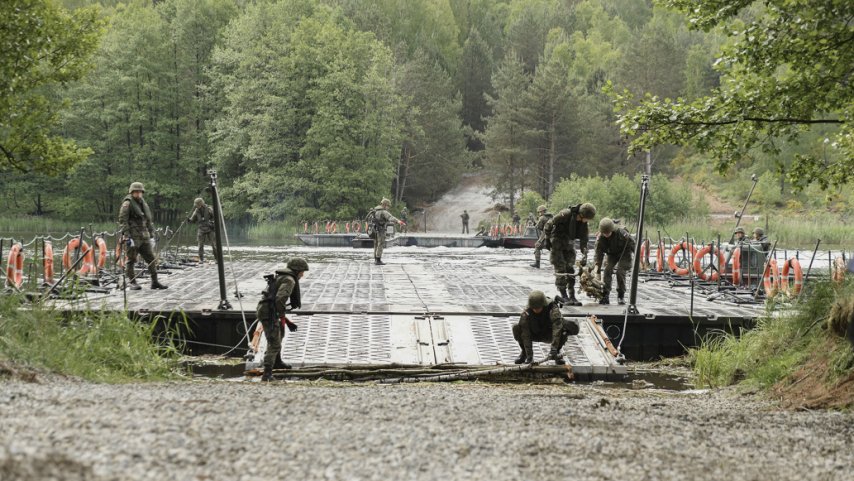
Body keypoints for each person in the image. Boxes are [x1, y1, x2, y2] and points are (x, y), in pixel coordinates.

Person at [256, 257, 309, 382]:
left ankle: (277, 362)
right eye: (302, 272)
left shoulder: (283, 277)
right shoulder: (289, 280)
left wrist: (285, 320)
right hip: (269, 312)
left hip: (269, 309)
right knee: (274, 343)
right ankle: (267, 374)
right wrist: (281, 317)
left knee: (280, 334)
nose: (302, 275)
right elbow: (280, 299)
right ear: (297, 270)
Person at [543, 202, 596, 305]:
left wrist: (584, 254)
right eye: (587, 218)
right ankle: (564, 295)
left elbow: (584, 239)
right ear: (582, 215)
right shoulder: (566, 214)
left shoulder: (583, 224)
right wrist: (547, 239)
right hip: (557, 243)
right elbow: (549, 224)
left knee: (571, 269)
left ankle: (572, 296)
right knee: (561, 269)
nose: (587, 221)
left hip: (568, 245)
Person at [118, 182, 167, 290]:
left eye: (140, 191)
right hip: (133, 236)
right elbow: (123, 221)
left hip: (144, 236)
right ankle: (132, 282)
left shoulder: (143, 204)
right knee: (131, 260)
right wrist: (127, 236)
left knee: (152, 259)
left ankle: (155, 282)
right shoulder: (127, 204)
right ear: (132, 192)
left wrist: (152, 234)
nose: (138, 193)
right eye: (136, 192)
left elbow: (148, 221)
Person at [511, 290, 579, 365]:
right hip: (534, 333)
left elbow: (557, 329)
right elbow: (525, 334)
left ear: (543, 304)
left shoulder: (552, 309)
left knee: (563, 328)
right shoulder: (526, 312)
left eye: (538, 308)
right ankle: (524, 354)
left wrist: (554, 349)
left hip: (549, 334)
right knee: (516, 328)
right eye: (534, 308)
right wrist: (529, 357)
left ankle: (557, 354)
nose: (535, 310)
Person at [594, 217, 635, 305]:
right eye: (604, 233)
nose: (606, 234)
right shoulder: (600, 238)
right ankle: (605, 295)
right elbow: (598, 254)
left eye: (608, 232)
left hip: (624, 253)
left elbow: (633, 244)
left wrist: (638, 258)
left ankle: (621, 295)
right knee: (607, 270)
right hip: (612, 254)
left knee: (620, 272)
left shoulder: (621, 233)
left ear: (612, 230)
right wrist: (597, 270)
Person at [368, 198, 404, 265]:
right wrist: (399, 221)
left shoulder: (375, 210)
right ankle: (378, 260)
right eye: (388, 206)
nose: (388, 207)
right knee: (380, 244)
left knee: (376, 244)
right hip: (380, 230)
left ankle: (376, 259)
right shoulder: (383, 211)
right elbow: (391, 217)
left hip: (374, 230)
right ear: (384, 205)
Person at [187, 198, 219, 263]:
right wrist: (188, 220)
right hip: (201, 229)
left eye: (197, 205)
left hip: (210, 228)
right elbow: (192, 220)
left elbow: (215, 218)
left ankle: (217, 259)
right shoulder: (196, 211)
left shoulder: (209, 209)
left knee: (214, 245)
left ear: (201, 204)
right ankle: (201, 259)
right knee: (200, 245)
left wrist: (212, 223)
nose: (196, 206)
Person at [530, 204, 553, 269]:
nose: (539, 213)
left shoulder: (542, 218)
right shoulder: (552, 217)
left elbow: (539, 227)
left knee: (537, 246)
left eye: (539, 212)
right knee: (553, 250)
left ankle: (537, 263)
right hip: (553, 236)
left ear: (542, 211)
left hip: (545, 236)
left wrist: (534, 222)